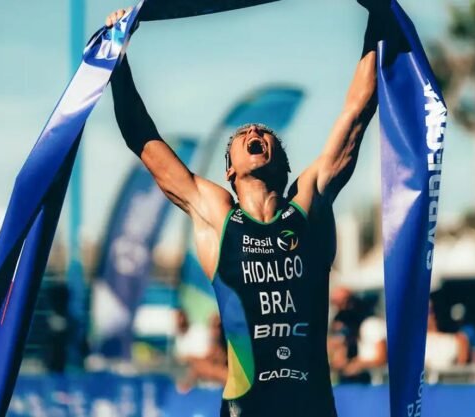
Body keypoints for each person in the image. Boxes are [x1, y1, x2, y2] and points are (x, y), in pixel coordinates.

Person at [106, 1, 387, 414]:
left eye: (265, 133)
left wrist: (380, 14)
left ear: (284, 166)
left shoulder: (309, 203)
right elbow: (143, 139)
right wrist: (117, 59)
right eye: (242, 135)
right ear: (229, 171)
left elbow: (358, 110)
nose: (254, 129)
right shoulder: (217, 216)